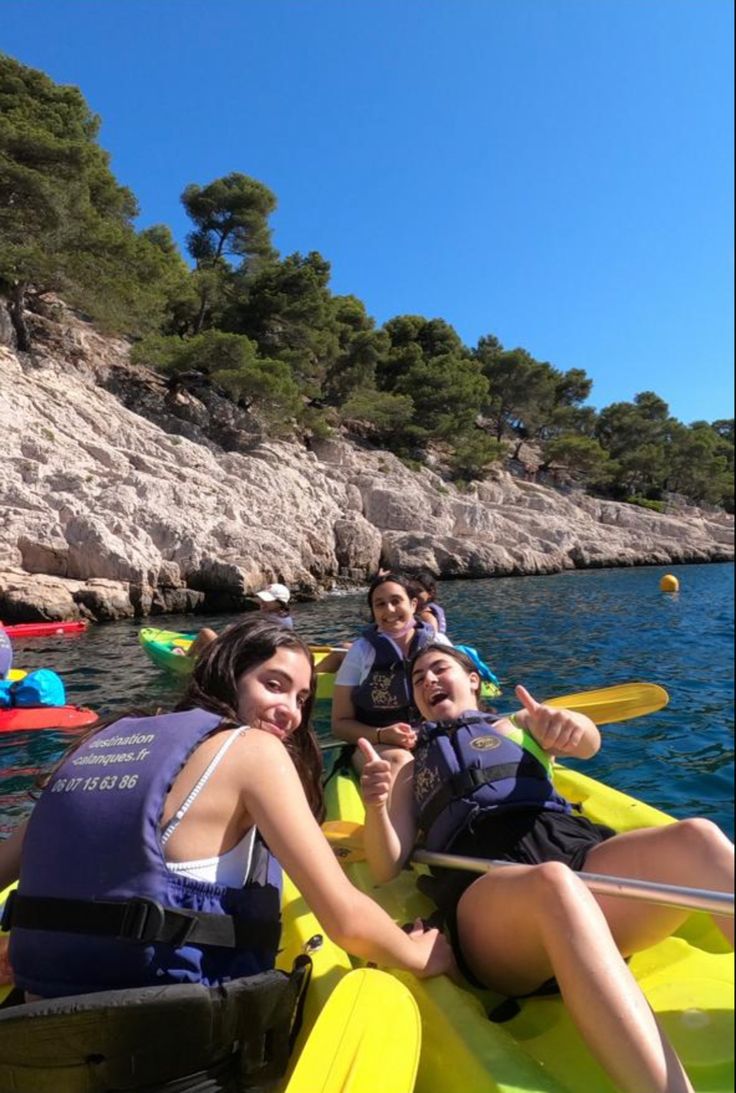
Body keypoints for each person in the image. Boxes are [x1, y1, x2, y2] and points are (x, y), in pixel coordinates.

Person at [0, 619, 452, 1087]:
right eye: (273, 685)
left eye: (300, 699)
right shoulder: (252, 749)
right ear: (227, 672)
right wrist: (421, 955)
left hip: (37, 1045)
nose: (291, 713)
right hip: (173, 1051)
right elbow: (347, 920)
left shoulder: (100, 744)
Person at [358, 643, 735, 1093]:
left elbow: (586, 742)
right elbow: (385, 865)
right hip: (491, 901)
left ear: (473, 680)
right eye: (418, 680)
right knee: (554, 886)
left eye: (439, 669)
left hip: (575, 855)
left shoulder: (523, 723)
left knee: (699, 838)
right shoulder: (406, 759)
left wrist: (572, 726)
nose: (428, 682)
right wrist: (376, 806)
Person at [331, 573, 452, 777]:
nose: (389, 610)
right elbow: (339, 724)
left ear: (413, 605)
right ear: (373, 611)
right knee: (400, 761)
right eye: (380, 604)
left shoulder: (438, 643)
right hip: (378, 743)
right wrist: (381, 735)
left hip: (431, 734)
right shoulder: (361, 652)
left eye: (396, 601)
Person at [186, 582, 294, 661]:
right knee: (228, 630)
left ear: (280, 603)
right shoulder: (282, 618)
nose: (262, 602)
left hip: (244, 660)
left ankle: (186, 658)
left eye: (267, 600)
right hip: (253, 656)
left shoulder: (273, 621)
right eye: (262, 599)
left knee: (205, 633)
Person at [407, 569, 447, 634]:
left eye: (419, 591)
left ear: (430, 593)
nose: (414, 594)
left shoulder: (427, 617)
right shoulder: (421, 611)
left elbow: (432, 640)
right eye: (411, 590)